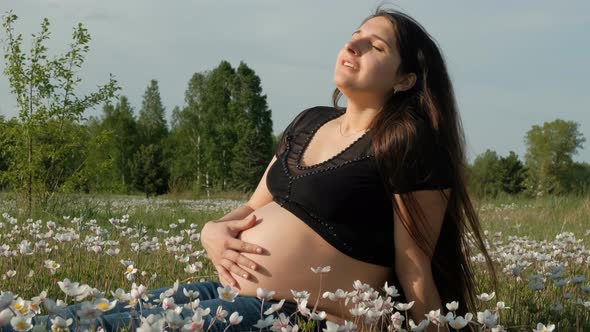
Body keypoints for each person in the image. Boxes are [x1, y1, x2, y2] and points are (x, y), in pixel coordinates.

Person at [10, 6, 497, 332]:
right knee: (60, 320)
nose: (355, 47)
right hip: (217, 295)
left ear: (406, 79)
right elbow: (248, 208)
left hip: (288, 315)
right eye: (356, 37)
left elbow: (414, 266)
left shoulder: (406, 143)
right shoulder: (308, 122)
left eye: (378, 47)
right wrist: (210, 231)